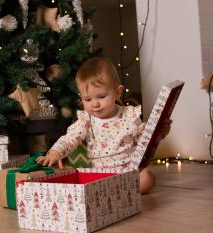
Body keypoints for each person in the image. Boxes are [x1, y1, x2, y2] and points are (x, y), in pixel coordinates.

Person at [36, 57, 171, 194]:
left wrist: (160, 132)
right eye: (87, 99)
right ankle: (114, 191)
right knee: (83, 182)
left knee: (147, 178)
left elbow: (145, 139)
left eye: (101, 97)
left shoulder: (129, 115)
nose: (95, 104)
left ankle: (120, 190)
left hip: (128, 171)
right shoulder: (86, 120)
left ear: (117, 92)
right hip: (100, 174)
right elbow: (70, 138)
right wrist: (56, 152)